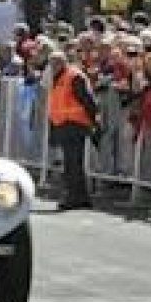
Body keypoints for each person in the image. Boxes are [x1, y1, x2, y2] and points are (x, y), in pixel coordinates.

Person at [48, 51, 98, 210]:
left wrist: (93, 122)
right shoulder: (60, 77)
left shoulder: (74, 76)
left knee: (73, 163)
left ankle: (73, 197)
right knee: (73, 163)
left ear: (63, 62)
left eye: (56, 62)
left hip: (75, 124)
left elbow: (88, 101)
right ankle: (80, 197)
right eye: (52, 63)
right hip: (65, 124)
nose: (53, 66)